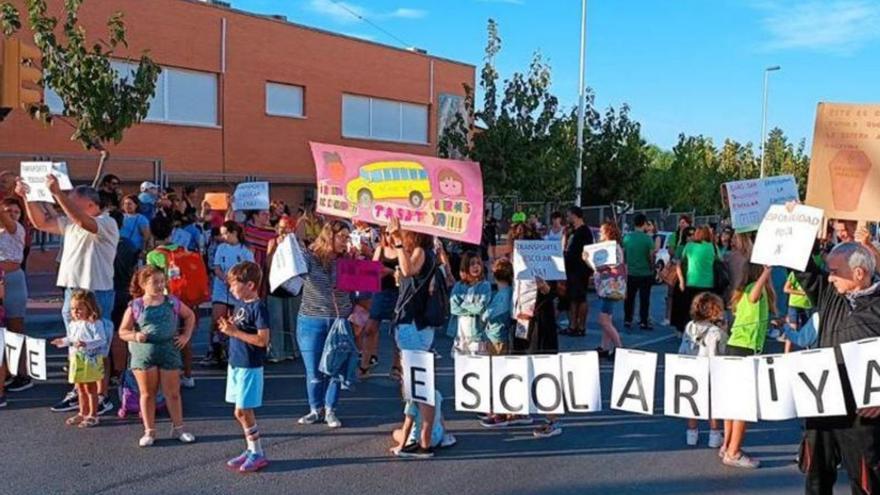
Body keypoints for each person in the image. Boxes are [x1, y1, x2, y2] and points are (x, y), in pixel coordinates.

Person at [16, 177, 118, 414]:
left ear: (92, 205)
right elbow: (42, 222)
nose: (66, 206)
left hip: (96, 291)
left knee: (97, 345)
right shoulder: (71, 223)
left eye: (74, 202)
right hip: (72, 291)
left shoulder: (106, 222)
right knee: (77, 345)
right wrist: (26, 197)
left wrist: (59, 195)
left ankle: (101, 395)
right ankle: (79, 389)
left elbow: (83, 221)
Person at [795, 240, 880, 494]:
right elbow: (800, 264)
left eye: (834, 271)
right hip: (822, 404)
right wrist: (792, 221)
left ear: (859, 273)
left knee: (865, 482)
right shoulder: (829, 294)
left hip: (862, 413)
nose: (829, 277)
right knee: (816, 476)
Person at [118, 266, 197, 447]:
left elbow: (190, 316)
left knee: (173, 394)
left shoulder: (172, 302)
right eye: (155, 282)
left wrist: (185, 336)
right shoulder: (136, 305)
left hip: (169, 351)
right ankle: (149, 431)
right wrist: (135, 336)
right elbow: (123, 331)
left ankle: (179, 428)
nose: (160, 285)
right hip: (144, 355)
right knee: (147, 394)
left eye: (162, 281)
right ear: (144, 284)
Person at [387, 216, 440, 456]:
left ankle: (425, 442)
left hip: (413, 326)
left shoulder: (421, 250)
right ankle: (428, 436)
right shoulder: (426, 252)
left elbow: (408, 269)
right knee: (417, 384)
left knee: (420, 386)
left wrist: (399, 242)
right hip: (417, 326)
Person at [295, 220, 353, 429]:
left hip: (339, 321)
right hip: (311, 320)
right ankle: (314, 409)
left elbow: (366, 285)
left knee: (335, 368)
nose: (346, 241)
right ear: (330, 236)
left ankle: (330, 410)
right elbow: (292, 271)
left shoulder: (349, 259)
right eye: (342, 237)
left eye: (348, 237)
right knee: (314, 371)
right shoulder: (309, 257)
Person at [218, 261, 271, 473]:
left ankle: (257, 452)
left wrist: (235, 333)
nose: (230, 288)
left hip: (250, 365)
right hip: (236, 363)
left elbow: (262, 340)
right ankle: (251, 449)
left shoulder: (259, 307)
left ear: (250, 285)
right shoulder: (241, 304)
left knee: (243, 410)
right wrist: (229, 327)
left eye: (234, 284)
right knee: (239, 411)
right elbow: (238, 328)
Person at [721, 264, 774, 469]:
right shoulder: (754, 290)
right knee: (743, 406)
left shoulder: (741, 293)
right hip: (745, 350)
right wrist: (767, 272)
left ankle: (727, 446)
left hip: (735, 347)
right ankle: (733, 452)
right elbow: (754, 297)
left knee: (732, 404)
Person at [145, 215, 202, 388]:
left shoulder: (154, 255)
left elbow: (152, 279)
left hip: (167, 300)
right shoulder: (183, 250)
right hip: (188, 299)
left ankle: (171, 375)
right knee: (185, 338)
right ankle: (188, 375)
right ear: (171, 232)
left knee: (168, 339)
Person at [50, 290, 110, 428]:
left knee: (90, 388)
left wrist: (86, 344)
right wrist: (63, 341)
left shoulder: (95, 323)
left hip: (90, 359)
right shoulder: (73, 324)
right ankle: (83, 412)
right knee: (80, 387)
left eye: (79, 309)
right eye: (72, 309)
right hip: (76, 359)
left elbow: (101, 340)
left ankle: (93, 414)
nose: (75, 312)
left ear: (89, 307)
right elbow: (71, 339)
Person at [678, 292, 726, 448]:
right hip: (709, 370)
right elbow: (718, 353)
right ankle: (714, 434)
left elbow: (682, 348)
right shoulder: (715, 332)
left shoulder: (690, 326)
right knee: (712, 404)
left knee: (692, 401)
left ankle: (691, 433)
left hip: (691, 367)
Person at [205, 221, 254, 366]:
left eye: (226, 233)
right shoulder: (221, 248)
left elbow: (250, 270)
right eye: (222, 233)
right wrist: (224, 279)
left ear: (234, 233)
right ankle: (213, 348)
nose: (223, 236)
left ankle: (231, 349)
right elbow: (217, 267)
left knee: (235, 320)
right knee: (217, 318)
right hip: (222, 288)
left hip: (238, 289)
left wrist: (236, 282)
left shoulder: (245, 250)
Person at [358, 228, 399, 377]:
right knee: (370, 329)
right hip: (381, 292)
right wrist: (389, 271)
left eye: (393, 234)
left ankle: (397, 366)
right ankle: (364, 365)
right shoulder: (380, 249)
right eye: (387, 234)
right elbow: (372, 269)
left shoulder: (402, 249)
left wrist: (387, 271)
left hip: (398, 293)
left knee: (397, 332)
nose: (390, 237)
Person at [0, 198, 30, 395]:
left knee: (15, 328)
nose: (11, 214)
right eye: (7, 210)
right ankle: (7, 372)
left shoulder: (17, 228)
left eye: (16, 211)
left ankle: (23, 373)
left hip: (13, 280)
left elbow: (5, 220)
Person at [265, 215, 300, 363]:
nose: (283, 231)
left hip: (292, 286)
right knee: (276, 319)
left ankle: (293, 350)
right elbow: (267, 263)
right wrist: (274, 249)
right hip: (276, 285)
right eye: (281, 227)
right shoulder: (273, 241)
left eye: (286, 227)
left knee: (292, 319)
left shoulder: (297, 243)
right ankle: (276, 351)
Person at [589, 221, 625, 359]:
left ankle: (619, 348)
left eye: (602, 231)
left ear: (608, 232)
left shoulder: (612, 247)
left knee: (603, 320)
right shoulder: (610, 247)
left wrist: (596, 266)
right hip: (606, 286)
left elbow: (610, 265)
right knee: (607, 319)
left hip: (610, 286)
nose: (600, 233)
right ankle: (604, 347)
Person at [390, 388, 456, 458]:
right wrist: (443, 432)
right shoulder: (436, 394)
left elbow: (407, 425)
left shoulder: (413, 401)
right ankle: (442, 436)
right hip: (437, 437)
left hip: (419, 440)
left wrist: (401, 446)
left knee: (396, 433)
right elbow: (440, 415)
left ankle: (411, 444)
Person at [675, 226, 717, 332]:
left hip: (692, 282)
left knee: (691, 308)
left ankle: (689, 331)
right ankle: (704, 331)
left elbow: (681, 260)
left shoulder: (690, 246)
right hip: (708, 283)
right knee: (706, 309)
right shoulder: (712, 247)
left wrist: (681, 281)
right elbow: (719, 259)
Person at [449, 251, 492, 355]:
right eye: (472, 264)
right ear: (466, 266)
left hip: (477, 333)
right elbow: (454, 308)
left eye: (478, 263)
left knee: (478, 365)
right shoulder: (459, 286)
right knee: (461, 365)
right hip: (460, 334)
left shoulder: (485, 285)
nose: (476, 266)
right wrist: (470, 308)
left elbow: (480, 308)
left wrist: (462, 304)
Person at [561, 206, 594, 337]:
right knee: (572, 299)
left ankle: (581, 326)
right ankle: (572, 325)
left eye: (569, 215)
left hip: (580, 270)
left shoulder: (585, 232)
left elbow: (587, 252)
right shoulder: (571, 231)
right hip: (570, 269)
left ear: (575, 216)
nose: (567, 218)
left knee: (581, 298)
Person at [623, 213, 655, 331]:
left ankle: (627, 319)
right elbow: (651, 256)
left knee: (629, 298)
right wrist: (652, 267)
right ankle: (643, 321)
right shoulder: (647, 239)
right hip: (645, 273)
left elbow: (624, 254)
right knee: (644, 299)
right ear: (644, 223)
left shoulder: (627, 237)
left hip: (631, 272)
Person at [783, 270, 812, 354]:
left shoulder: (811, 273)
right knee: (793, 327)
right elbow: (786, 289)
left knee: (807, 328)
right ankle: (786, 353)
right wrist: (802, 292)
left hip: (807, 305)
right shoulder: (793, 273)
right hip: (794, 304)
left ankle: (809, 350)